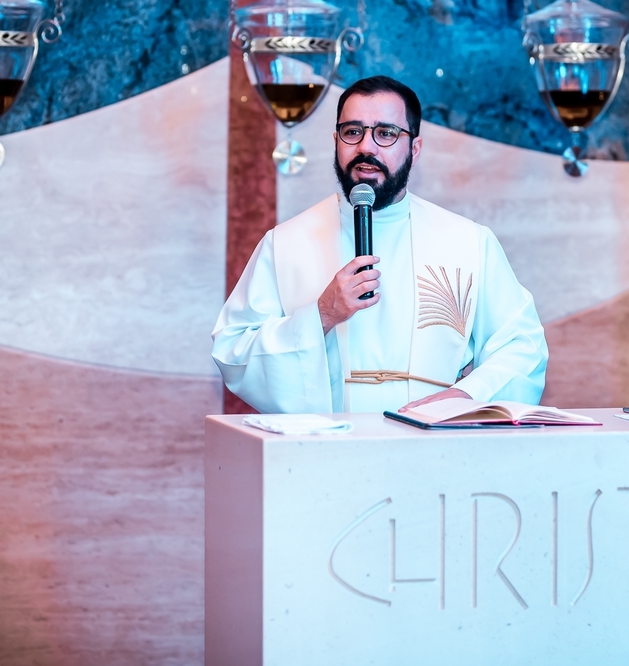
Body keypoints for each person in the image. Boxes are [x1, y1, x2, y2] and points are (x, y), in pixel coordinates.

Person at [211, 75, 548, 414]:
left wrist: (469, 396)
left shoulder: (468, 242)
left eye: (385, 133)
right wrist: (323, 314)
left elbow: (522, 345)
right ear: (336, 141)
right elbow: (234, 349)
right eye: (353, 132)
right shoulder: (285, 244)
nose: (366, 148)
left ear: (414, 148)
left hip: (435, 448)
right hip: (325, 451)